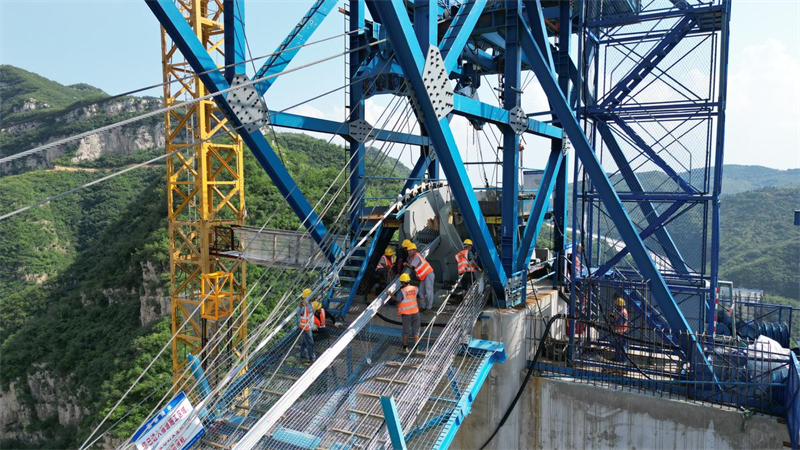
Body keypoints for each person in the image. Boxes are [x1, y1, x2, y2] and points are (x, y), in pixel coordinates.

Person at [391, 273, 420, 353]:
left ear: (403, 282)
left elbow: (398, 300)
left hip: (407, 314)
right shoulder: (415, 288)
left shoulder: (402, 291)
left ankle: (405, 348)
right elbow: (421, 297)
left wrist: (390, 294)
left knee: (405, 332)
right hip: (416, 313)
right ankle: (416, 349)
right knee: (416, 331)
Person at [404, 243, 434, 311]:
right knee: (421, 291)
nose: (409, 252)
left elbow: (412, 266)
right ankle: (423, 307)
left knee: (429, 291)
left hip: (428, 274)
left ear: (415, 250)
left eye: (411, 250)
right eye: (408, 251)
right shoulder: (413, 257)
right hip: (424, 276)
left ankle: (429, 307)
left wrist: (405, 263)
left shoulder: (417, 256)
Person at [296, 288, 317, 363]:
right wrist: (301, 306)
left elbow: (310, 315)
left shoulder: (310, 303)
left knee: (304, 342)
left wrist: (313, 324)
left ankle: (303, 356)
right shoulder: (304, 305)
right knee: (310, 343)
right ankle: (312, 358)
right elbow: (298, 312)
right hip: (305, 327)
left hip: (308, 326)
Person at [612, 295, 629, 364]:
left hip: (620, 332)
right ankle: (618, 358)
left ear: (619, 305)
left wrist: (613, 321)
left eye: (616, 304)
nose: (615, 305)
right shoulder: (623, 311)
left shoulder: (621, 313)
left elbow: (619, 323)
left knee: (620, 347)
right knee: (619, 346)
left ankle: (622, 360)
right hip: (623, 331)